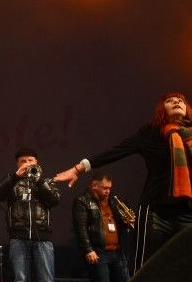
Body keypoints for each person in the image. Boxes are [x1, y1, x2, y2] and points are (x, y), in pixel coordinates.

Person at [54, 92, 192, 268]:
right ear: (162, 109)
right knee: (145, 267)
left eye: (180, 100)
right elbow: (118, 151)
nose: (176, 102)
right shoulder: (150, 133)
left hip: (188, 210)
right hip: (155, 211)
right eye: (170, 100)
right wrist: (78, 168)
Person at [0, 148, 60, 282]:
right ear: (17, 164)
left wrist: (39, 181)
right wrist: (15, 176)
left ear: (37, 163)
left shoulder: (46, 182)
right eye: (23, 161)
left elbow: (55, 199)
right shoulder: (13, 183)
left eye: (30, 160)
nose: (27, 163)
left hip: (42, 239)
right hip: (18, 238)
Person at [72, 172, 130, 282]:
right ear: (94, 186)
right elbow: (80, 228)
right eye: (104, 188)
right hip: (99, 252)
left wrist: (126, 222)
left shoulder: (113, 201)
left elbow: (118, 224)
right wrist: (88, 250)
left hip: (117, 252)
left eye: (109, 188)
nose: (108, 191)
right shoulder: (82, 200)